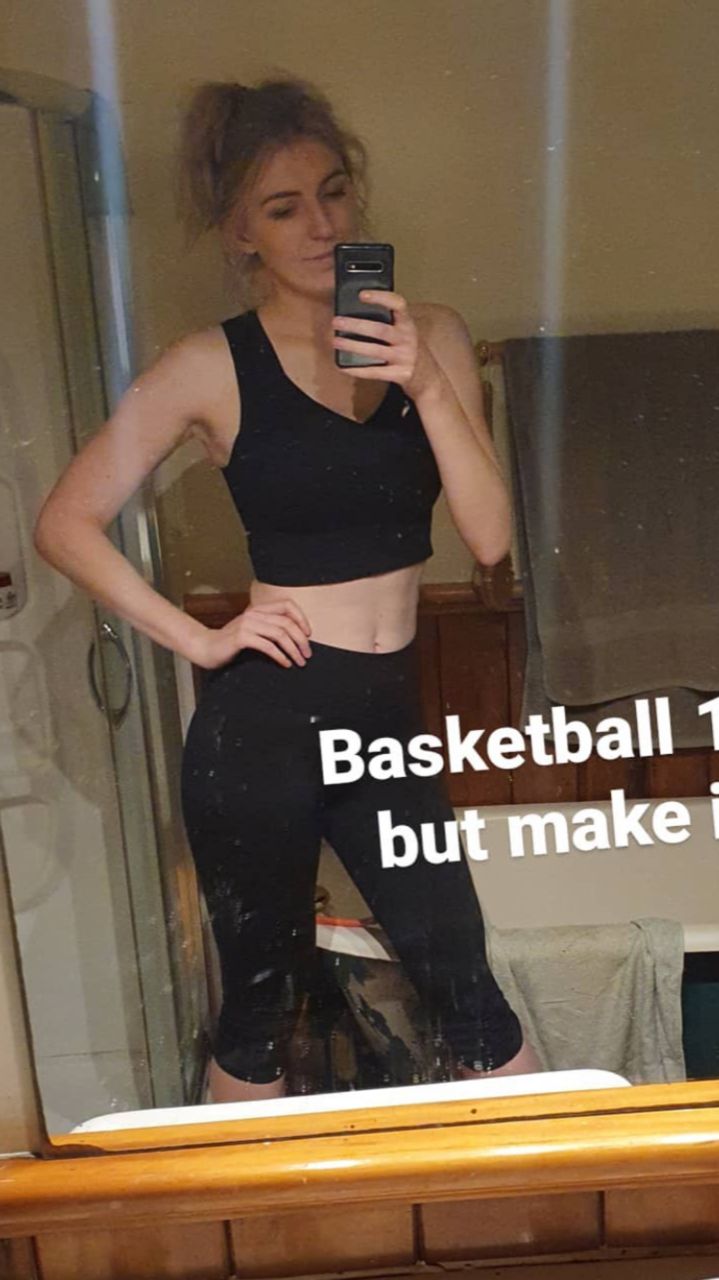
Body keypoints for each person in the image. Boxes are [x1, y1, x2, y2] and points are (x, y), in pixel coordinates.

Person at [34, 75, 541, 1103]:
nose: (320, 225)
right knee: (259, 1016)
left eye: (334, 192)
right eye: (282, 208)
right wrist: (197, 639)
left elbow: (489, 537)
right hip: (264, 725)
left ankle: (561, 1195)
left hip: (384, 719)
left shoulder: (431, 335)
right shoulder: (206, 367)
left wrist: (423, 382)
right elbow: (63, 522)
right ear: (241, 234)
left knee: (469, 993)